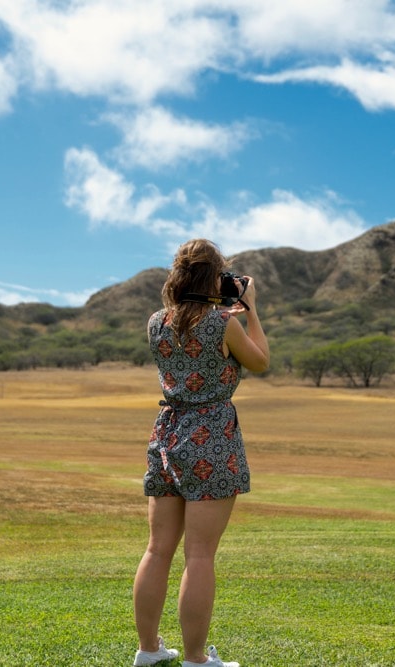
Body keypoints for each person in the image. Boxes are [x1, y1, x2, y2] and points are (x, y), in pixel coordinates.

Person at [132, 239, 270, 667]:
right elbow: (261, 361)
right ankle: (195, 658)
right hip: (211, 434)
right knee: (200, 555)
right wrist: (250, 309)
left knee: (157, 550)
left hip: (167, 435)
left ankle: (149, 650)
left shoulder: (157, 322)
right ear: (214, 277)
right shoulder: (224, 322)